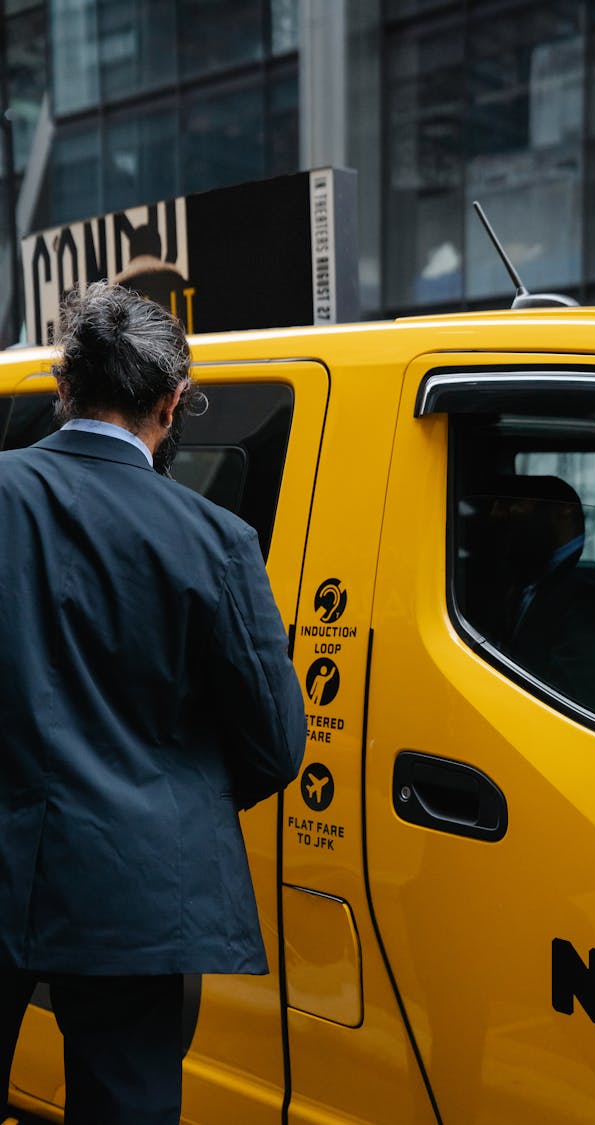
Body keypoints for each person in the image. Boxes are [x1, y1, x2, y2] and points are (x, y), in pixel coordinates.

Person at [0, 282, 306, 1124]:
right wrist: (167, 798)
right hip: (137, 890)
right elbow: (277, 744)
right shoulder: (218, 541)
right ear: (173, 402)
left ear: (63, 387)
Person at [487, 475, 595, 716]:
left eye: (514, 503)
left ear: (564, 510)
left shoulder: (593, 595)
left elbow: (581, 703)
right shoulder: (530, 580)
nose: (500, 514)